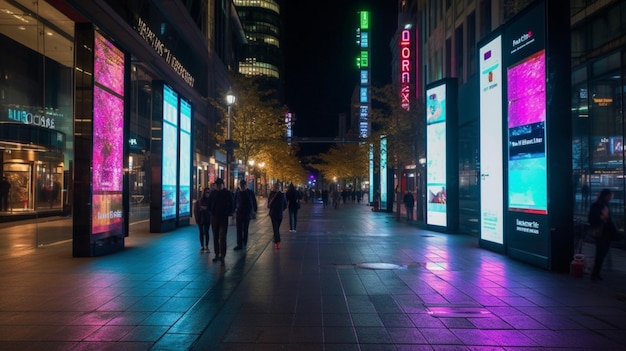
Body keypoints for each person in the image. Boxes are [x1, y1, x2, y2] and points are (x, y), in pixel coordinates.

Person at [588, 189, 619, 281]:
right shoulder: (599, 206)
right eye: (610, 196)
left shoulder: (601, 205)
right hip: (602, 233)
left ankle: (596, 273)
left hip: (605, 233)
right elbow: (592, 219)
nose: (611, 197)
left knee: (601, 254)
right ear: (606, 196)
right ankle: (595, 273)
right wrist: (601, 218)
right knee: (600, 254)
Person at [208, 178, 233, 265]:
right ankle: (217, 254)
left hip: (223, 217)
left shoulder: (227, 193)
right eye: (217, 185)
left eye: (219, 185)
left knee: (222, 237)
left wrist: (229, 212)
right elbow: (209, 204)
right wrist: (211, 211)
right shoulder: (213, 193)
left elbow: (231, 204)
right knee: (215, 236)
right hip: (215, 217)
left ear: (223, 185)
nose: (218, 187)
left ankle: (222, 255)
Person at [233, 179, 257, 250]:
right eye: (241, 186)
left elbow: (254, 201)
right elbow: (234, 202)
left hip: (247, 213)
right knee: (239, 229)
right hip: (239, 213)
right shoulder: (237, 193)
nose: (242, 187)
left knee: (245, 228)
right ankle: (239, 244)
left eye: (243, 186)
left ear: (246, 186)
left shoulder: (249, 192)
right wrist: (234, 211)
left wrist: (254, 210)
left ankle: (244, 241)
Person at [267, 183, 286, 249]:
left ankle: (277, 241)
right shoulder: (282, 195)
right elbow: (285, 205)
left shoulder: (271, 194)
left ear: (273, 187)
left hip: (273, 213)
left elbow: (269, 204)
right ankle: (277, 242)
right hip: (279, 214)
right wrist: (281, 209)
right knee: (276, 228)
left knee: (275, 229)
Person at [193, 187, 211, 252]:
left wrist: (205, 208)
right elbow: (200, 208)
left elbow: (208, 208)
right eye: (206, 192)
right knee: (201, 232)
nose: (207, 194)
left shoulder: (209, 200)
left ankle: (206, 245)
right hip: (201, 218)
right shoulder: (200, 201)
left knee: (206, 232)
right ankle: (202, 246)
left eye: (208, 193)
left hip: (207, 218)